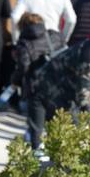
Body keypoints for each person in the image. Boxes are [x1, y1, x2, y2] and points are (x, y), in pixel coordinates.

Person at [12, 13, 55, 150]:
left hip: (35, 88)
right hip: (58, 87)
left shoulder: (23, 43)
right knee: (57, 125)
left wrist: (15, 81)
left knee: (36, 128)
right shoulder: (53, 35)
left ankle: (38, 161)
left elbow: (23, 67)